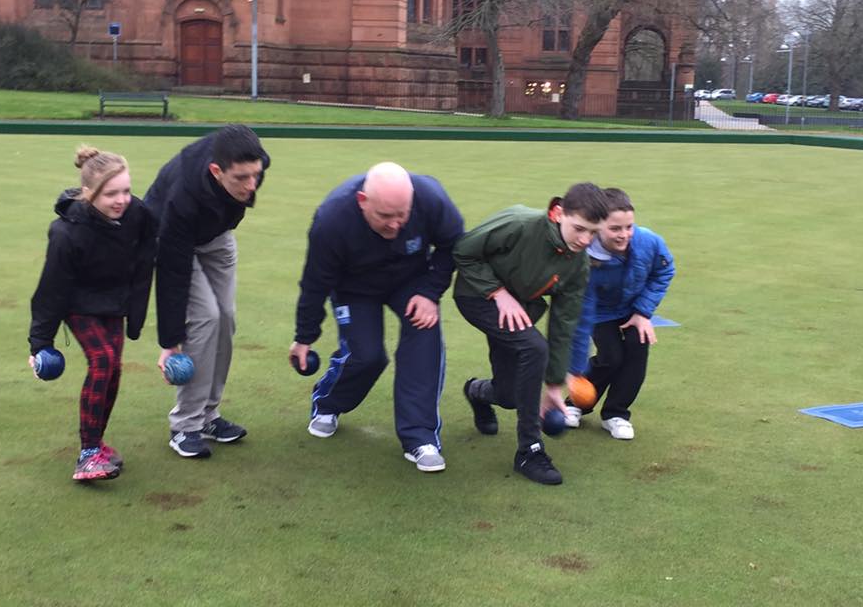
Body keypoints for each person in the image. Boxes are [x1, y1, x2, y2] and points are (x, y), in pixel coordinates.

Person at [289, 162, 464, 473]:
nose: (395, 225)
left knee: (424, 339)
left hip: (411, 282)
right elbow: (316, 282)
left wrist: (430, 293)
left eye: (402, 215)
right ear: (362, 201)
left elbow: (454, 245)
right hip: (354, 288)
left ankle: (420, 437)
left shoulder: (430, 198)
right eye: (385, 216)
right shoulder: (332, 219)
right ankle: (328, 404)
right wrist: (304, 337)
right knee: (367, 356)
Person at [453, 183, 608, 486]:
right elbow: (463, 250)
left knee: (510, 395)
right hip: (476, 297)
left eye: (593, 233)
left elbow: (564, 324)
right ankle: (530, 451)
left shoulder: (578, 264)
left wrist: (553, 385)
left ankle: (477, 392)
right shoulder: (520, 223)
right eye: (579, 229)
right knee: (534, 347)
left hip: (519, 312)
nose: (585, 240)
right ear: (559, 212)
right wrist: (497, 293)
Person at [29, 146, 156, 481]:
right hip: (77, 303)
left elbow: (149, 254)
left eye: (126, 191)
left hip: (113, 302)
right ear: (88, 193)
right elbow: (51, 288)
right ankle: (87, 454)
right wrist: (39, 344)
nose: (121, 200)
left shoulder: (138, 214)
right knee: (102, 361)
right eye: (110, 193)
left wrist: (137, 310)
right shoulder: (66, 232)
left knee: (114, 368)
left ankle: (97, 444)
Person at [144, 125, 270, 458]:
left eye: (254, 175)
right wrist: (169, 343)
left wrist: (243, 189)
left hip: (216, 235)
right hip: (172, 239)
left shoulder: (255, 162)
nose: (251, 185)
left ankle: (209, 415)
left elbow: (249, 182)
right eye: (241, 178)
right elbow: (173, 275)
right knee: (205, 318)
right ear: (216, 171)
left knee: (226, 317)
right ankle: (185, 425)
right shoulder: (182, 195)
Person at [566, 188, 675, 440]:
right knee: (611, 356)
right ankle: (575, 403)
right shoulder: (583, 253)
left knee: (638, 348)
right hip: (599, 312)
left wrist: (643, 312)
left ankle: (616, 414)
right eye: (615, 228)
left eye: (629, 227)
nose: (624, 234)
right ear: (597, 226)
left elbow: (664, 272)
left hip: (634, 308)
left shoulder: (649, 241)